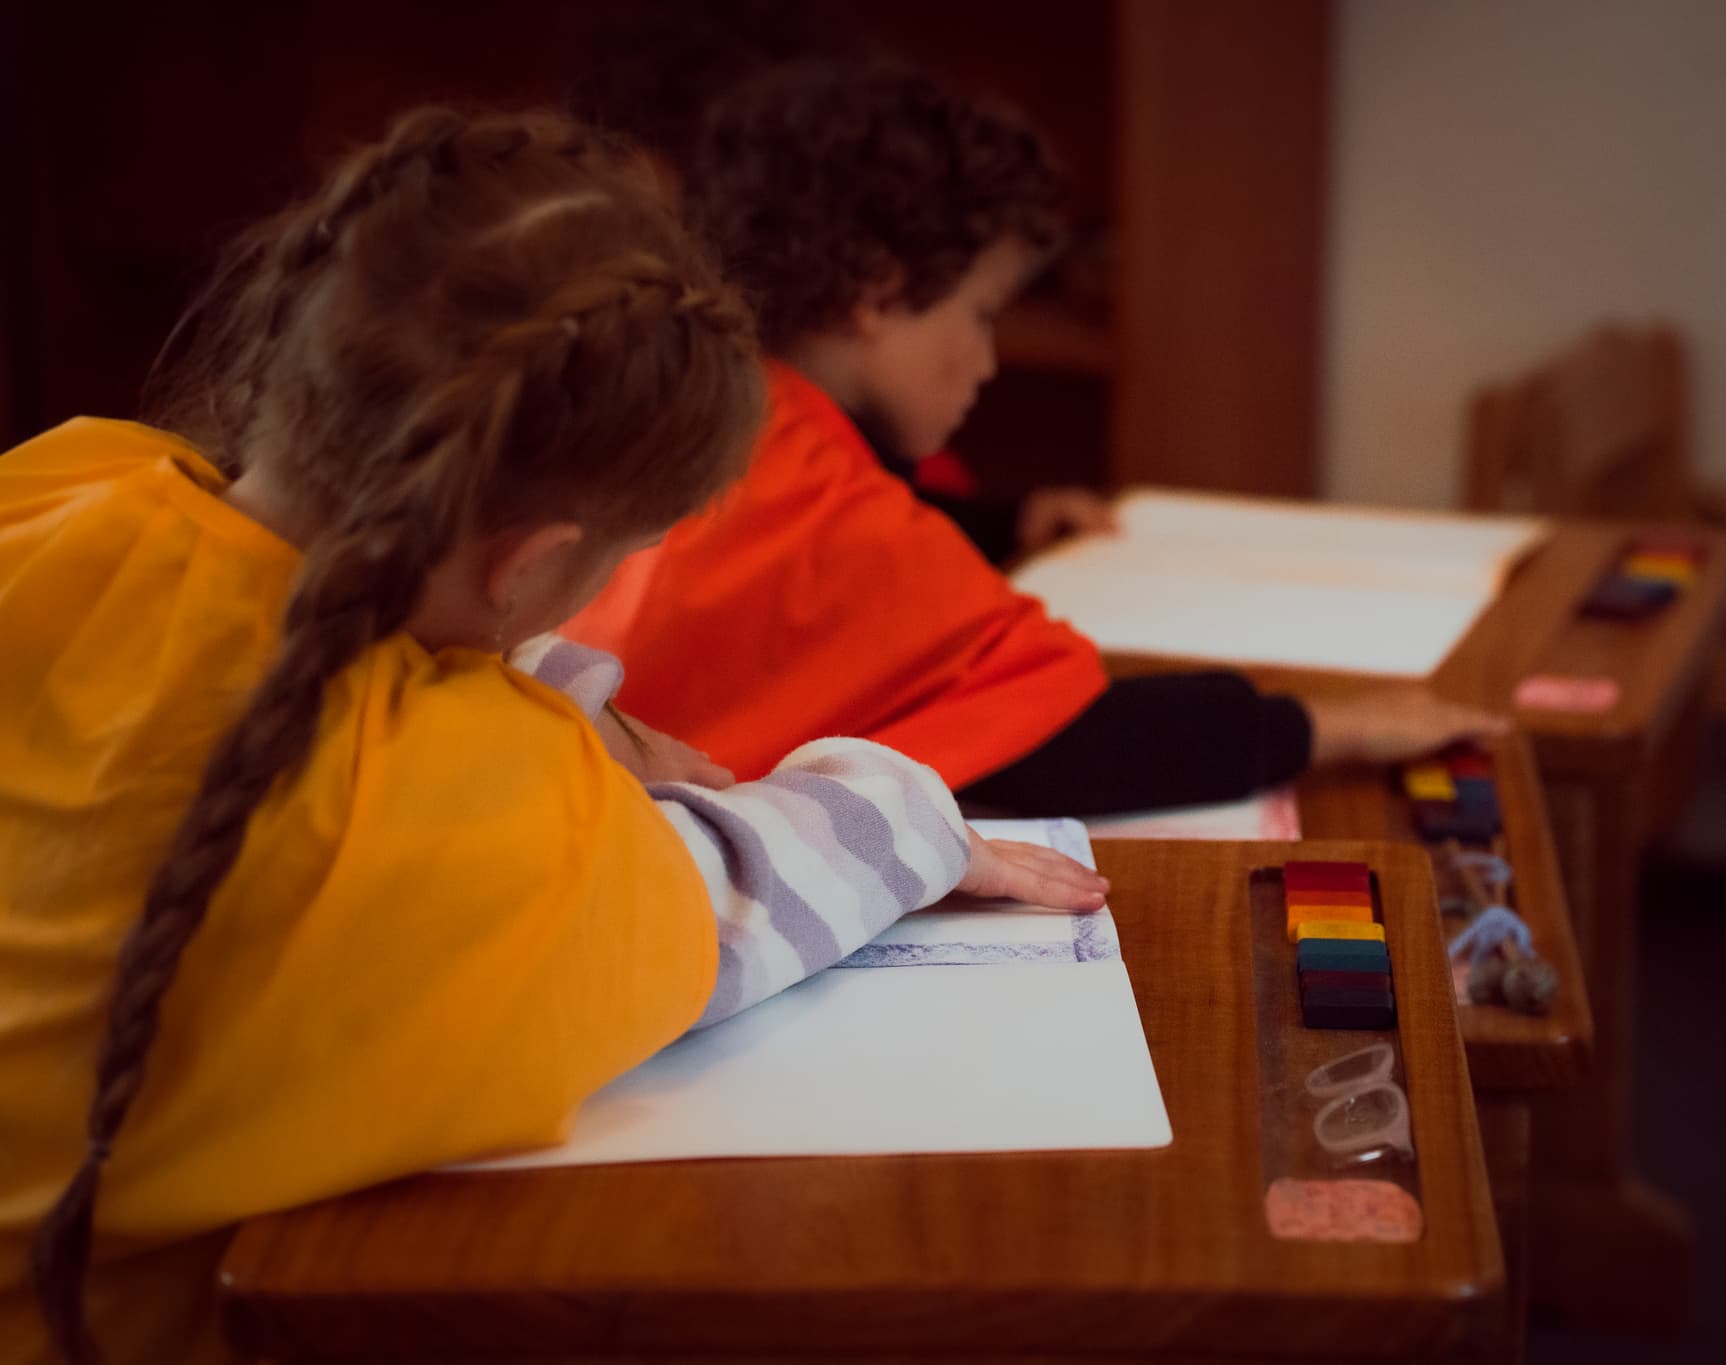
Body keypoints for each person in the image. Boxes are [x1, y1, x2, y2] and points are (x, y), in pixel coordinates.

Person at [0, 106, 1104, 1365]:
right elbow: (740, 898)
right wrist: (907, 818)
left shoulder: (68, 486)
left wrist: (558, 697)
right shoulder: (452, 814)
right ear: (526, 563)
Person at [567, 55, 1507, 814]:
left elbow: (801, 586)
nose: (987, 361)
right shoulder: (831, 507)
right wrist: (1326, 726)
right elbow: (1064, 739)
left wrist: (1003, 524)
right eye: (981, 315)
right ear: (876, 294)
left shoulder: (725, 418)